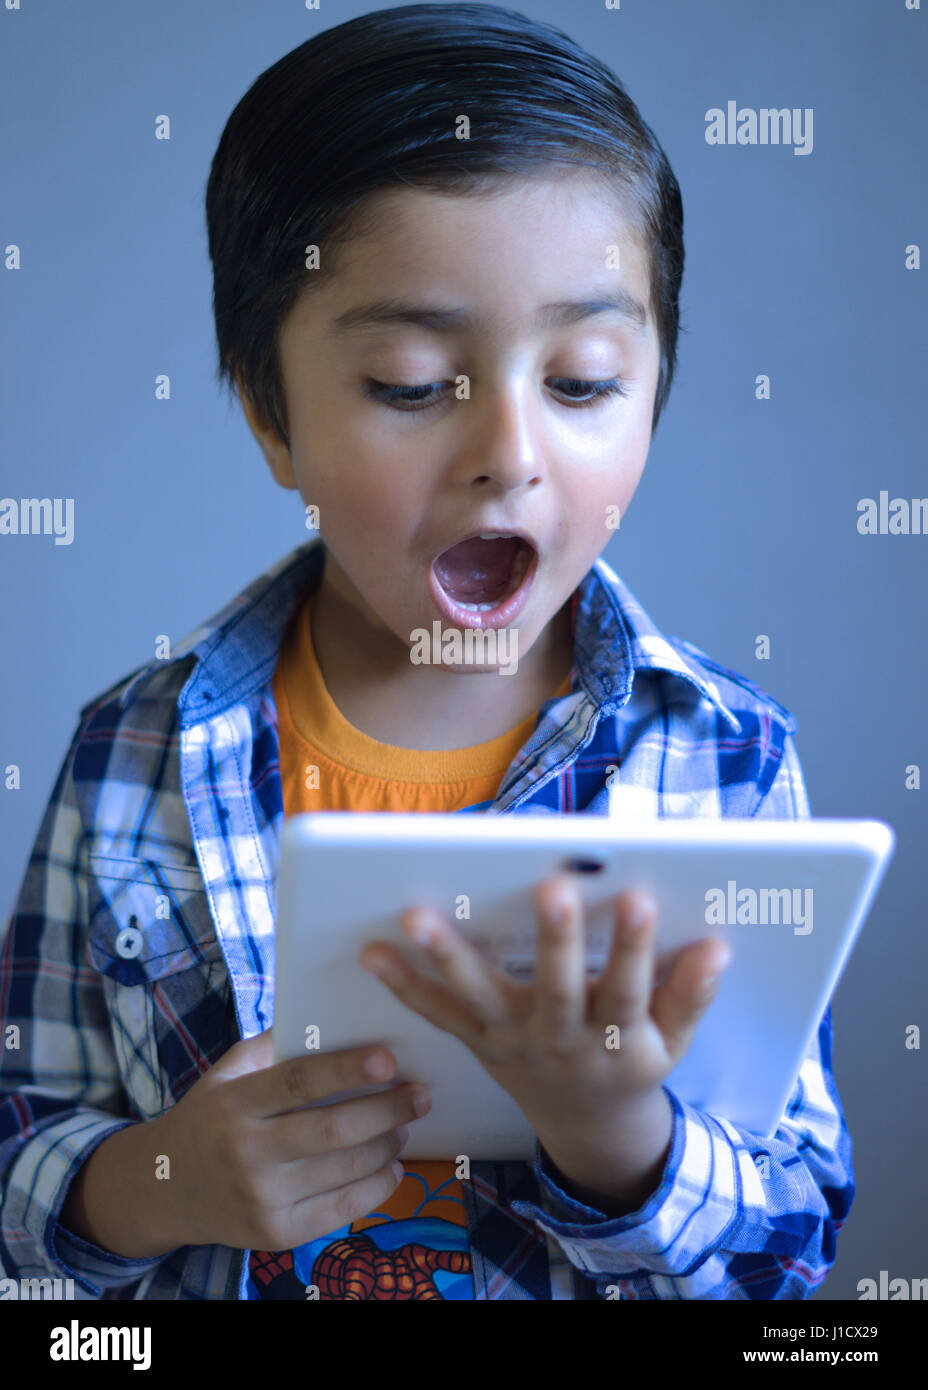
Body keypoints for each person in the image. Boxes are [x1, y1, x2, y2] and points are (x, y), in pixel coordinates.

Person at [0, 4, 852, 1300]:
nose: (508, 449)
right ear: (269, 415)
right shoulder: (131, 758)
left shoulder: (725, 758)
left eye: (580, 381)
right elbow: (21, 1150)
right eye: (409, 382)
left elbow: (791, 1255)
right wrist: (167, 1175)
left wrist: (615, 1137)